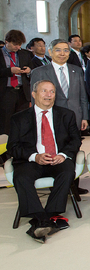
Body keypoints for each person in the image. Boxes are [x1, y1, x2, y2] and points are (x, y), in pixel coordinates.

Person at [7, 80, 82, 243]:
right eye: (44, 91)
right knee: (21, 178)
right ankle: (45, 220)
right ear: (34, 95)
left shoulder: (66, 114)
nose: (48, 95)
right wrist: (35, 156)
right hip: (31, 161)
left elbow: (76, 140)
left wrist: (63, 154)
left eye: (52, 92)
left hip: (57, 158)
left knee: (67, 171)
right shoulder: (19, 118)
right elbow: (12, 147)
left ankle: (42, 219)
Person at [30, 39, 89, 132]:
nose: (62, 53)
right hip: (51, 117)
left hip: (75, 116)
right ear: (50, 52)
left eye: (66, 50)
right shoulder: (39, 72)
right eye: (58, 50)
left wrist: (84, 117)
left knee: (73, 144)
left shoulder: (77, 70)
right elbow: (35, 99)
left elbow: (83, 96)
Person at [0, 29, 33, 135]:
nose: (18, 47)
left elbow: (32, 69)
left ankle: (21, 146)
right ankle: (5, 148)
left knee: (22, 121)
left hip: (22, 92)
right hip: (6, 92)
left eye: (19, 45)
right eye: (15, 44)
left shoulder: (24, 54)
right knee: (6, 121)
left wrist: (28, 71)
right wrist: (9, 71)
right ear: (6, 41)